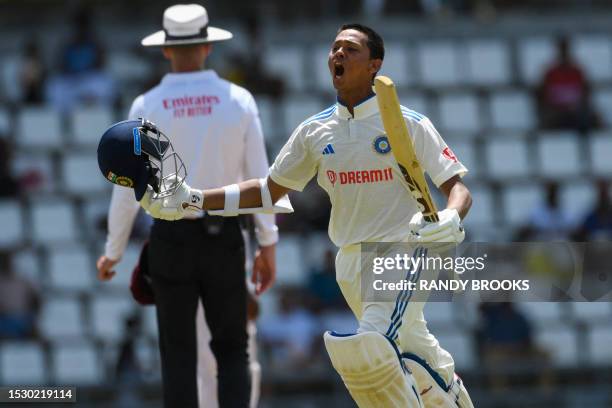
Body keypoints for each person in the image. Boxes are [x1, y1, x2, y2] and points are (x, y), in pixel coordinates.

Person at [101, 23, 473, 408]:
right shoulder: (315, 132)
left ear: (374, 65)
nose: (338, 55)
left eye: (350, 49)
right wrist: (194, 199)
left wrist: (450, 217)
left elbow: (458, 188)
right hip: (350, 262)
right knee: (416, 348)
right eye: (335, 48)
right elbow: (265, 192)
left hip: (405, 251)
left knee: (371, 349)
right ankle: (453, 392)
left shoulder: (408, 123)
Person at [95, 4, 278, 407]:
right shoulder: (239, 99)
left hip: (170, 241)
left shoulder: (146, 105)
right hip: (225, 236)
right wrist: (268, 243)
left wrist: (113, 252)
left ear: (165, 50)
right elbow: (262, 180)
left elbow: (125, 188)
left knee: (177, 356)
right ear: (209, 46)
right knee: (233, 350)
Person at [536, 36, 600, 133]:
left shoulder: (577, 72)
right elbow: (543, 97)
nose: (564, 55)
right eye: (561, 51)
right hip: (557, 114)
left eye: (566, 51)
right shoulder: (550, 73)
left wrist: (576, 107)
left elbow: (585, 95)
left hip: (576, 113)